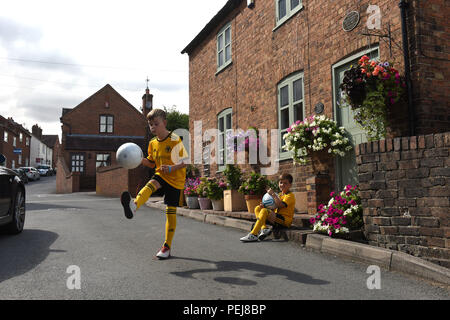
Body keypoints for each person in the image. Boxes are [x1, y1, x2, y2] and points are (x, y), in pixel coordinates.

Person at [121, 108, 187, 259]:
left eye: (156, 124)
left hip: (176, 180)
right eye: (150, 124)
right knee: (150, 185)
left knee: (170, 213)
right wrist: (137, 159)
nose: (153, 127)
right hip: (161, 174)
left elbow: (185, 162)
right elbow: (151, 163)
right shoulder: (152, 143)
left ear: (164, 123)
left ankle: (167, 247)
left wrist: (171, 167)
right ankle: (134, 206)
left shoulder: (175, 139)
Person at [240, 173, 296, 242]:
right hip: (276, 218)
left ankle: (253, 234)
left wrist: (272, 194)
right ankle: (264, 228)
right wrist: (264, 206)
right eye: (281, 182)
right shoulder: (279, 195)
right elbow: (273, 208)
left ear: (290, 185)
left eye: (285, 183)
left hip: (285, 221)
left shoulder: (290, 196)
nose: (282, 185)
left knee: (264, 211)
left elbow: (279, 205)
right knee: (257, 208)